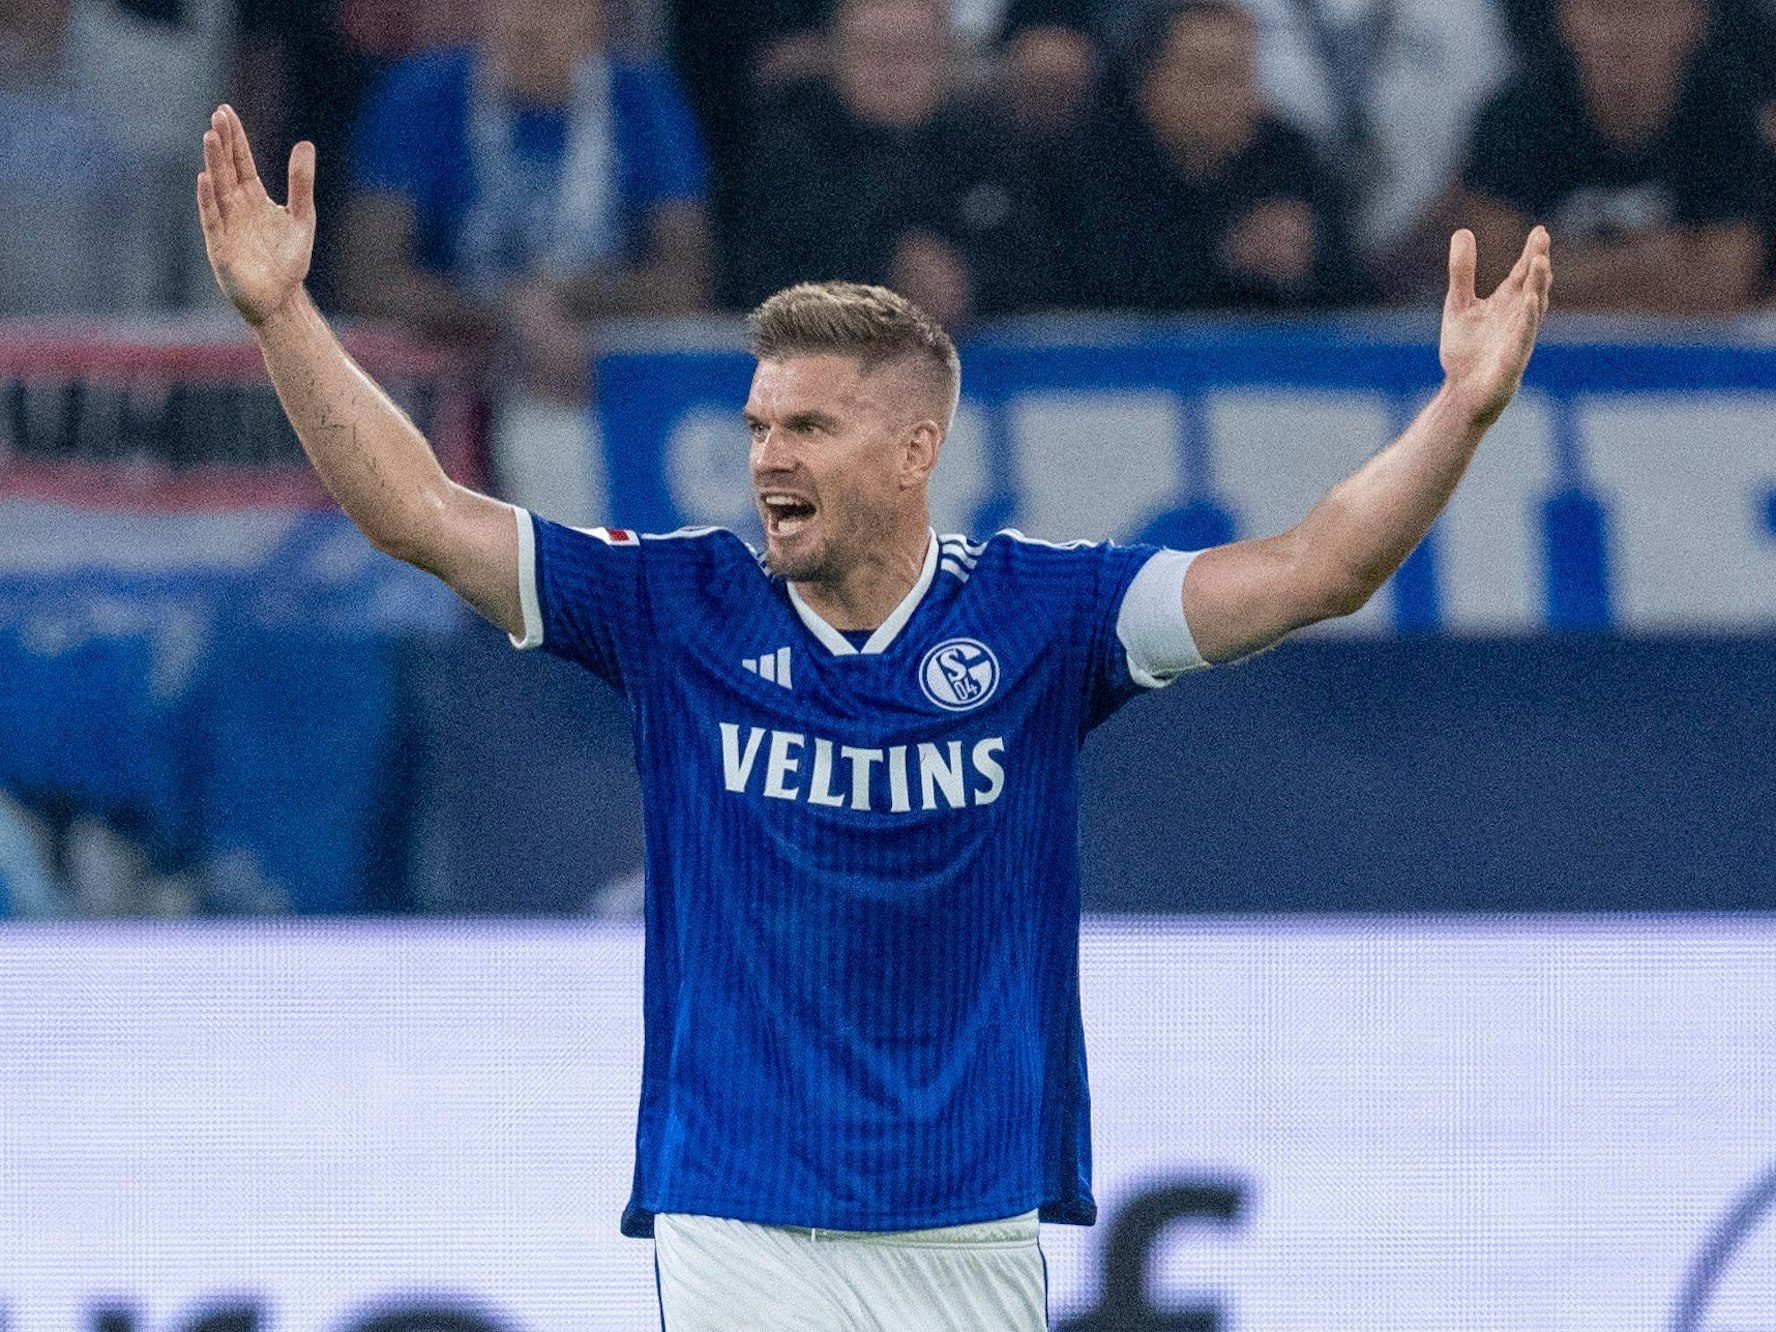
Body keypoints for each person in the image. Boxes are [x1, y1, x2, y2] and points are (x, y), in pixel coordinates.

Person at [195, 103, 1552, 1330]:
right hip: (739, 1212)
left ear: (915, 451)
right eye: (758, 425)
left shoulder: (1047, 618)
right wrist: (283, 318)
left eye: (809, 428)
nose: (766, 458)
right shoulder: (677, 605)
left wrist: (1461, 411)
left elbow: (1318, 569)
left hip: (968, 1222)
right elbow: (422, 516)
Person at [729, 0, 1062, 329]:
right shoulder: (789, 162)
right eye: (873, 51)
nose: (891, 69)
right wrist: (879, 276)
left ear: (946, 59)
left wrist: (969, 284)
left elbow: (1043, 271)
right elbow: (760, 279)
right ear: (835, 58)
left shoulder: (990, 155)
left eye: (910, 52)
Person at [1060, 0, 1372, 311]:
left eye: (1240, 76)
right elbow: (1097, 292)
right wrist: (1227, 260)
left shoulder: (1288, 157)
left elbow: (1356, 297)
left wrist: (1306, 266)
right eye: (1208, 77)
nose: (1228, 97)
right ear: (1149, 83)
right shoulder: (1094, 164)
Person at [1461, 0, 1765, 314]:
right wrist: (1649, 262)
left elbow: (1727, 283)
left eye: (1646, 12)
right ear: (1566, 18)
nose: (1624, 33)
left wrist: (1562, 270)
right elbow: (1491, 280)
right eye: (1603, 10)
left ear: (1693, 20)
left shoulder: (1726, 118)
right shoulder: (1515, 117)